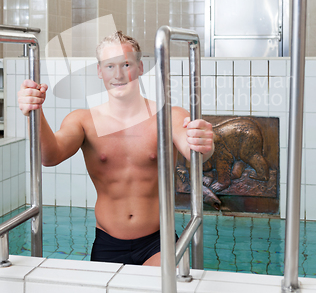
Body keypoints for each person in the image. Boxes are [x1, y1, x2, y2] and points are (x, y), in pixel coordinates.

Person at [18, 31, 214, 266]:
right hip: (108, 243)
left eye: (126, 64)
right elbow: (50, 156)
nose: (119, 75)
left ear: (140, 68)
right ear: (99, 71)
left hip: (157, 242)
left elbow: (195, 153)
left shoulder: (168, 116)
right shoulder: (83, 121)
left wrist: (201, 143)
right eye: (110, 66)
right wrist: (34, 112)